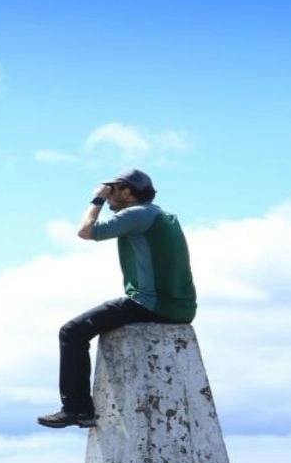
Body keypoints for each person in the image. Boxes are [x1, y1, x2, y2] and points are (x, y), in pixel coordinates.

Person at [38, 168, 197, 429]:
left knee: (72, 332)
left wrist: (97, 200)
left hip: (150, 304)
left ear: (128, 192)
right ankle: (79, 409)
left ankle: (77, 410)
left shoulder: (137, 213)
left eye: (114, 190)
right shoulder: (161, 215)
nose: (110, 196)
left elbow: (86, 231)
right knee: (80, 328)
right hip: (179, 307)